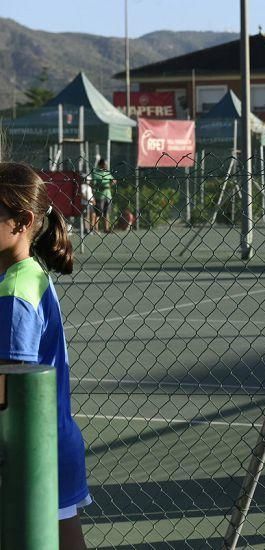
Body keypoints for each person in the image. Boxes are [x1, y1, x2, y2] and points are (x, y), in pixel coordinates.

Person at [0, 163, 90, 550]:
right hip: (48, 446)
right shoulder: (27, 274)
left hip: (30, 455)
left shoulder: (16, 292)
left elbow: (10, 389)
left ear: (22, 221)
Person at [91, 159, 116, 233]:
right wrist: (101, 186)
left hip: (108, 196)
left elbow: (113, 180)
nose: (106, 165)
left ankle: (106, 229)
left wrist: (112, 183)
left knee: (107, 213)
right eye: (105, 164)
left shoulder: (107, 173)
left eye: (106, 164)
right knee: (98, 213)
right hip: (99, 196)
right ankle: (96, 229)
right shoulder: (95, 173)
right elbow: (93, 184)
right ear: (100, 165)